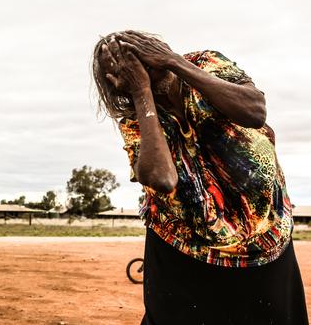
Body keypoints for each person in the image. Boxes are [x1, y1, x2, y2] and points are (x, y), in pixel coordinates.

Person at [91, 30, 307, 325]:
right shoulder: (137, 119)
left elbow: (255, 111)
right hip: (186, 257)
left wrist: (174, 62)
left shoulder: (206, 63)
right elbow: (162, 178)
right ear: (120, 84)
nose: (148, 72)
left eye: (143, 58)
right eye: (132, 71)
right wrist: (142, 93)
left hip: (265, 238)